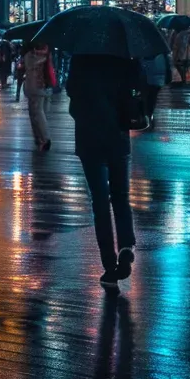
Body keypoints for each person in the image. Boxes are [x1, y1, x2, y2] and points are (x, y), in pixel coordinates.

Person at [66, 53, 139, 289]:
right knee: (121, 197)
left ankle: (109, 264)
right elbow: (137, 87)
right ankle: (126, 247)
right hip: (118, 137)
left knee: (100, 201)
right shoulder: (124, 57)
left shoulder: (81, 59)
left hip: (90, 139)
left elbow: (73, 99)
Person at [23, 41, 55, 151]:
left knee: (37, 114)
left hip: (35, 87)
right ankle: (40, 138)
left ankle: (44, 139)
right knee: (37, 113)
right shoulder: (46, 54)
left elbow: (27, 65)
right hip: (41, 87)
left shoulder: (32, 56)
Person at [140, 51, 170, 128]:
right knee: (152, 99)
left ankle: (148, 116)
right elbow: (167, 65)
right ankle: (149, 116)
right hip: (156, 79)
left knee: (148, 99)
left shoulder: (142, 52)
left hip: (148, 78)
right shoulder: (161, 51)